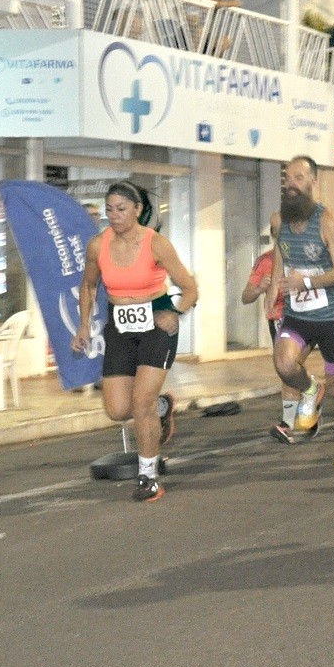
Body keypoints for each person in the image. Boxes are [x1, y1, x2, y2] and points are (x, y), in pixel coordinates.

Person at [74, 182, 199, 502]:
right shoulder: (97, 245)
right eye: (109, 209)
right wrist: (84, 327)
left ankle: (148, 477)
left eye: (121, 209)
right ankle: (162, 406)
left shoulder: (156, 244)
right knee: (117, 410)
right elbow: (88, 287)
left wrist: (176, 312)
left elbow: (189, 289)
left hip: (157, 322)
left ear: (138, 210)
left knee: (140, 403)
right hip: (120, 324)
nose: (114, 216)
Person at [267, 155, 334, 469]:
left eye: (298, 178)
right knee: (283, 364)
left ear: (313, 183)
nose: (291, 184)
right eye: (287, 179)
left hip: (329, 318)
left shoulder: (327, 221)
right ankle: (310, 389)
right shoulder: (278, 221)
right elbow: (281, 256)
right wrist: (272, 291)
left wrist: (306, 281)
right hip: (297, 315)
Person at [240, 227, 298, 422]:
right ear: (274, 236)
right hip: (279, 319)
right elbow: (245, 297)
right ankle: (291, 418)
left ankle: (301, 406)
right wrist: (259, 288)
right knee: (286, 370)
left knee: (291, 368)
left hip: (304, 315)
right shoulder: (264, 261)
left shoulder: (301, 256)